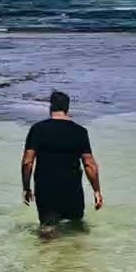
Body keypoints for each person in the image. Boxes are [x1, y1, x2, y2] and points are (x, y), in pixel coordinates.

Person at [21, 90, 103, 229]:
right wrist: (96, 191)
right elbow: (89, 164)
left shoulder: (38, 129)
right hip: (72, 190)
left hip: (46, 190)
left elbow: (27, 162)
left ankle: (46, 251)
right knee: (76, 231)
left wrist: (26, 187)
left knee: (48, 232)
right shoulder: (80, 131)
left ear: (50, 107)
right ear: (67, 108)